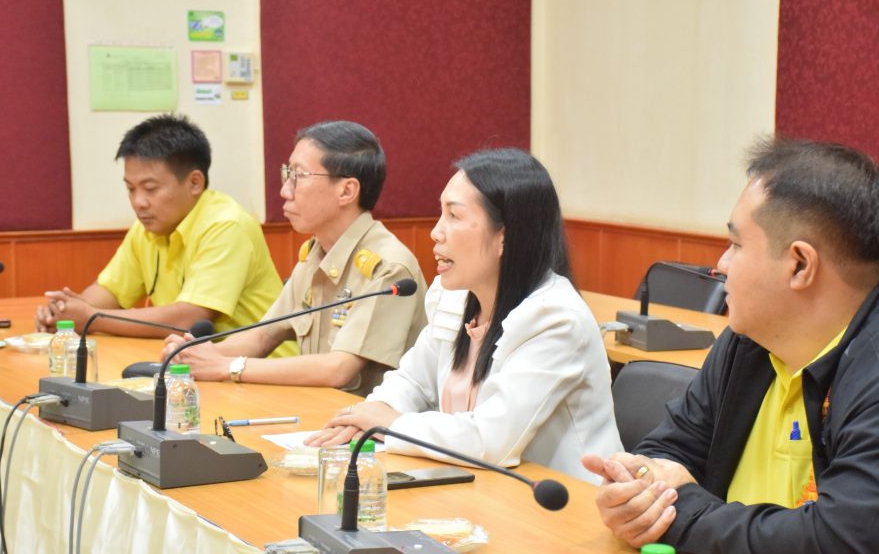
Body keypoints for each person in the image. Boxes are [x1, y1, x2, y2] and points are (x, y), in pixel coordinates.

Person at [583, 137, 879, 554]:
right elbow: (674, 448)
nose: (720, 265)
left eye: (735, 244)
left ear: (800, 264)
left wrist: (681, 517)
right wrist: (641, 491)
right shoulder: (752, 338)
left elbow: (851, 547)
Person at [307, 148, 623, 482]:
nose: (436, 232)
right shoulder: (453, 297)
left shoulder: (555, 319)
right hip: (484, 489)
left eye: (454, 216)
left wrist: (391, 425)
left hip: (564, 501)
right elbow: (413, 380)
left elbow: (492, 441)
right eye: (440, 213)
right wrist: (365, 417)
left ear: (506, 236)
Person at [163, 120, 427, 396]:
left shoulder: (388, 268)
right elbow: (262, 336)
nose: (284, 191)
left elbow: (338, 368)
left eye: (298, 176)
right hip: (318, 410)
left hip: (369, 419)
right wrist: (194, 355)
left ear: (347, 191)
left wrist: (227, 366)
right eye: (287, 174)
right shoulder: (315, 254)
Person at [34, 114, 287, 353]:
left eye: (150, 188)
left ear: (194, 183)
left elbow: (189, 319)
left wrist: (91, 318)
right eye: (131, 189)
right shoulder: (148, 228)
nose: (138, 202)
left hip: (260, 366)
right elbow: (109, 293)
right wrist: (64, 314)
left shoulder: (226, 225)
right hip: (196, 362)